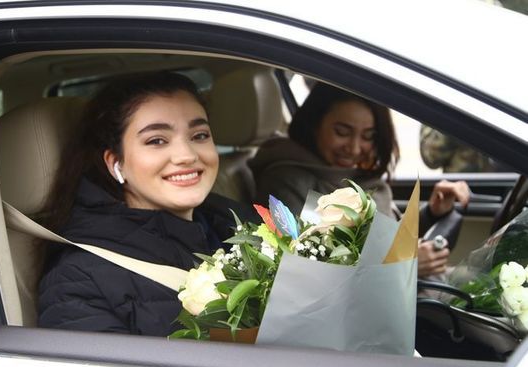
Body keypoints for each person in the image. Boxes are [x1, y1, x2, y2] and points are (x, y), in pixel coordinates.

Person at [38, 72, 256, 336]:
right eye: (156, 141)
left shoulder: (243, 228)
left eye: (199, 135)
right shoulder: (78, 281)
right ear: (116, 163)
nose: (187, 155)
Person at [249, 82, 470, 279]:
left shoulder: (350, 177)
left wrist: (432, 213)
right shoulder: (287, 181)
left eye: (367, 137)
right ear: (314, 124)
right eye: (342, 132)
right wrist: (400, 265)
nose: (355, 149)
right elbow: (307, 271)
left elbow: (382, 237)